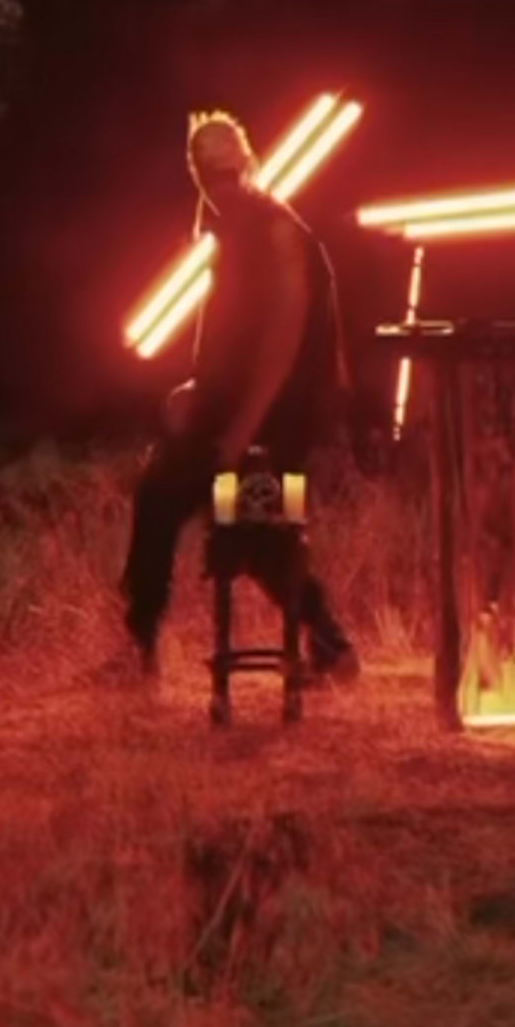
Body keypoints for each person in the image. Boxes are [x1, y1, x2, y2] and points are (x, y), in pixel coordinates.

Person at [119, 111, 359, 684]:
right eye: (208, 168)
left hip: (279, 420)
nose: (215, 180)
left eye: (222, 167)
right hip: (247, 414)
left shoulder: (275, 230)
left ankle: (329, 647)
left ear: (242, 164)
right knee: (217, 517)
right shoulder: (232, 228)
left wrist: (239, 433)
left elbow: (281, 342)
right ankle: (144, 648)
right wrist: (197, 392)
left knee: (239, 522)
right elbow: (238, 336)